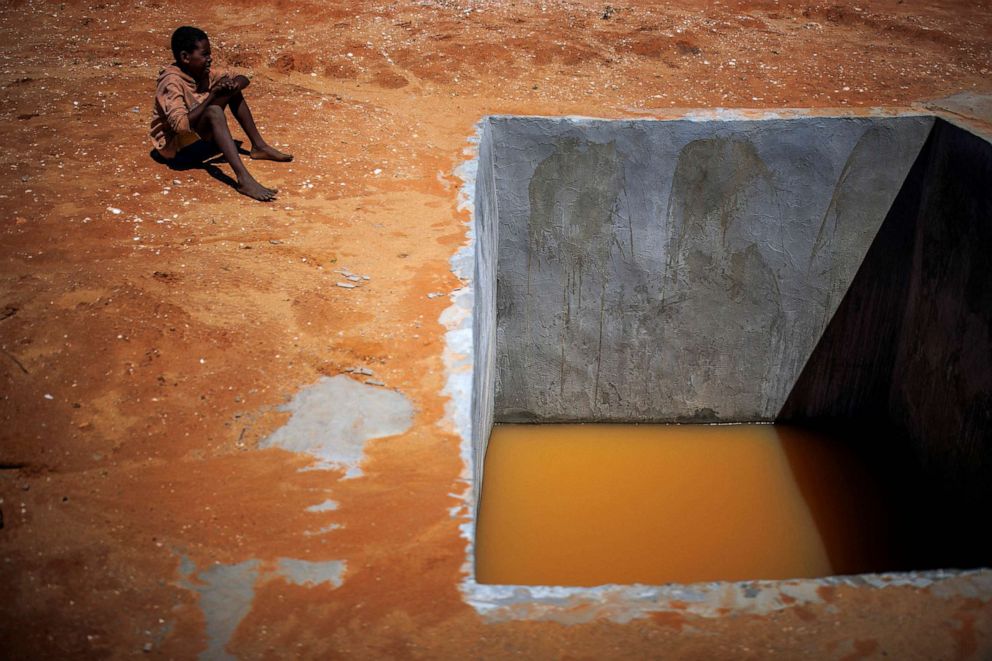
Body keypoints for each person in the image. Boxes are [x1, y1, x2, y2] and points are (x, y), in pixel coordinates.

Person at [150, 26, 292, 201]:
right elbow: (180, 125)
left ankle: (259, 146)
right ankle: (243, 179)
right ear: (185, 57)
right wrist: (212, 96)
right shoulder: (172, 82)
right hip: (178, 153)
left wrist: (232, 86)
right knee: (214, 111)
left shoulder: (202, 72)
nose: (209, 59)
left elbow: (242, 78)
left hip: (195, 141)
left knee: (229, 87)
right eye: (204, 55)